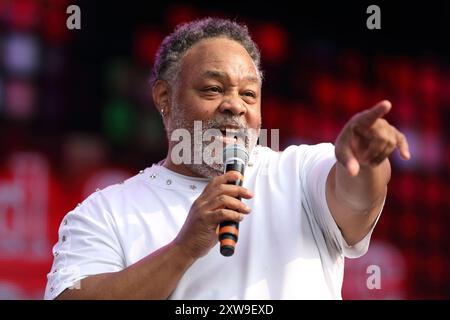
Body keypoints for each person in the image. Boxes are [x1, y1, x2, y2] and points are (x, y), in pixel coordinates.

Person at [45, 17, 410, 300]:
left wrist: (366, 162)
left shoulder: (298, 172)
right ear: (164, 97)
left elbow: (356, 198)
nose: (235, 105)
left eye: (249, 94)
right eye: (214, 89)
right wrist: (183, 249)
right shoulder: (105, 211)